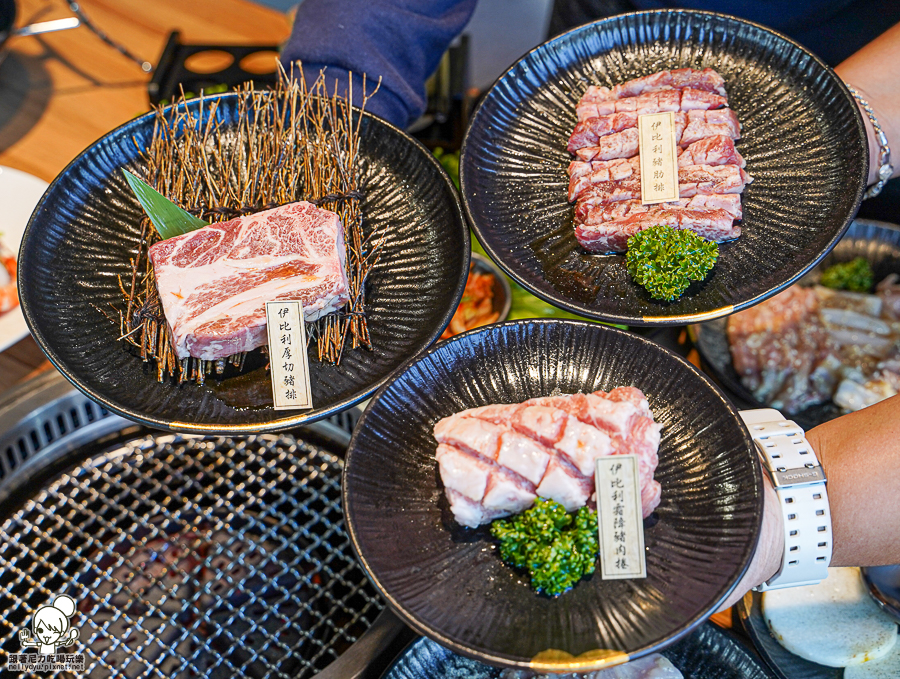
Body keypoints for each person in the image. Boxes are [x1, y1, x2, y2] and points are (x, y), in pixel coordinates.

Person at [282, 2, 900, 603]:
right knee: (606, 336)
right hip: (604, 41)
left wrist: (845, 139)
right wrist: (330, 116)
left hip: (828, 92)